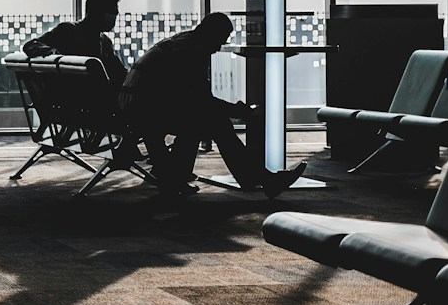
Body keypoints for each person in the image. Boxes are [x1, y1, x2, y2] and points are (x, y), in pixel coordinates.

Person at [117, 12, 306, 198]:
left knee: (203, 119)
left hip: (135, 105)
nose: (218, 48)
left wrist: (230, 109)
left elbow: (194, 98)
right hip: (145, 109)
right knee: (214, 122)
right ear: (211, 35)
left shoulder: (183, 42)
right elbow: (201, 100)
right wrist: (237, 110)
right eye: (220, 41)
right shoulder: (193, 51)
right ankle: (258, 179)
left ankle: (174, 175)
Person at [23, 0, 129, 87]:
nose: (116, 15)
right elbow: (119, 74)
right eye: (113, 11)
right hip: (90, 98)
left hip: (76, 98)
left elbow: (31, 45)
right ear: (98, 12)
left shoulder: (101, 41)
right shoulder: (69, 31)